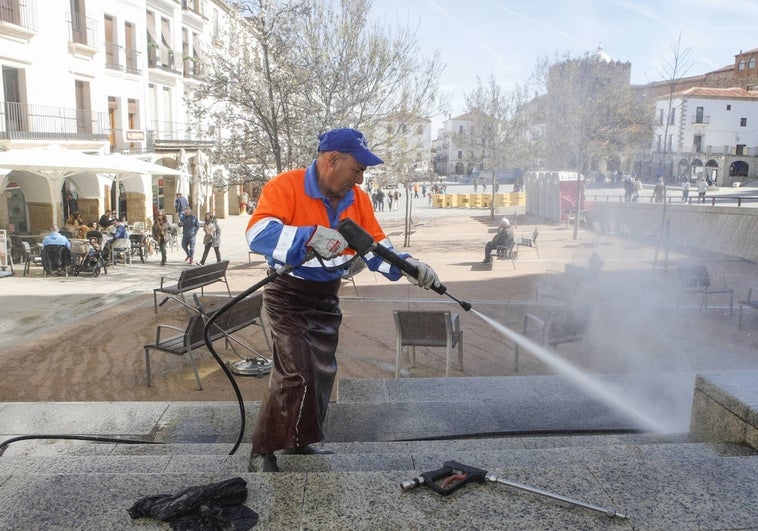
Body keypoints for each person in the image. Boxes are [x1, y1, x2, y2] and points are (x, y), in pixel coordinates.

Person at [245, 127, 440, 473]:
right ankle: (263, 450)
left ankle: (298, 442)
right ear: (332, 160)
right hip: (288, 295)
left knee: (320, 374)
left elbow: (376, 247)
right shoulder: (285, 186)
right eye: (358, 169)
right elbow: (258, 233)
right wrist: (308, 236)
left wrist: (409, 267)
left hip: (325, 297)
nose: (361, 180)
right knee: (296, 372)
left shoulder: (358, 200)